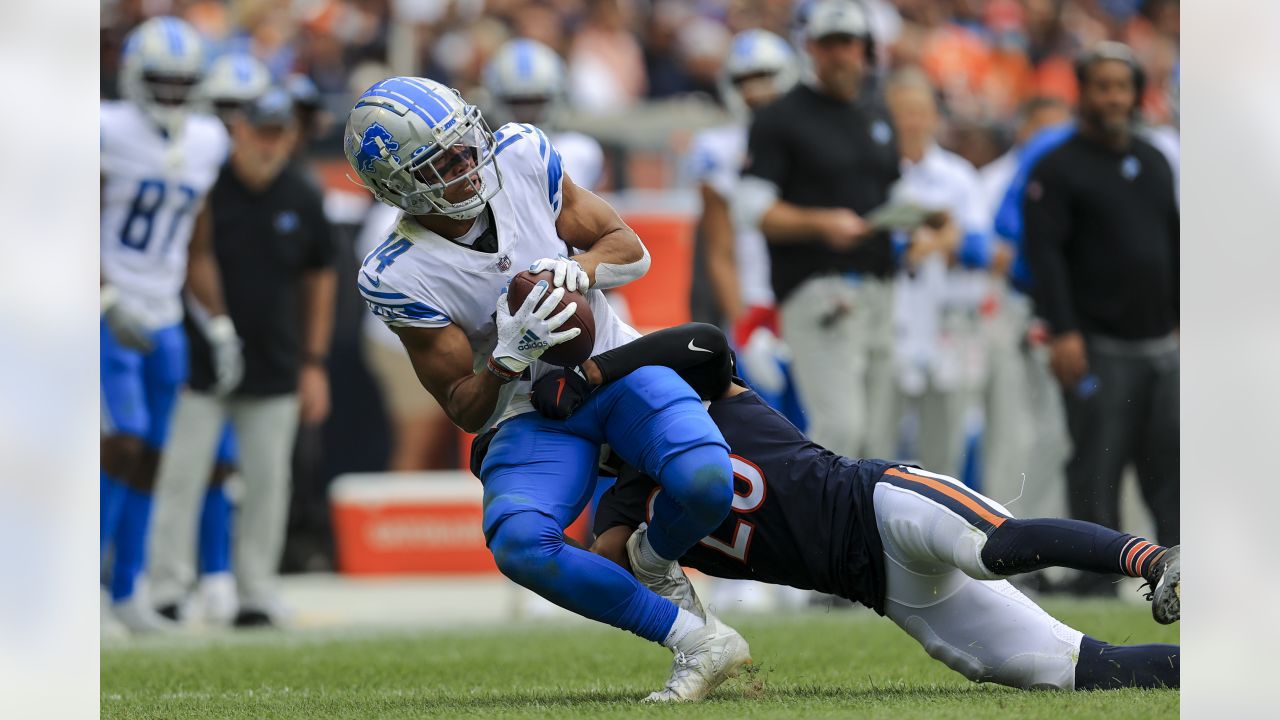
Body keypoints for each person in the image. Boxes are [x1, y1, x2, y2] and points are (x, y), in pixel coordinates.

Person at [344, 76, 747, 701]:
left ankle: (652, 555)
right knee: (520, 545)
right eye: (441, 163)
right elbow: (463, 408)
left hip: (614, 365)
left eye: (463, 146)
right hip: (528, 410)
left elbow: (630, 249)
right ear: (398, 184)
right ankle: (696, 640)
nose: (467, 166)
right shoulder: (397, 272)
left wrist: (578, 269)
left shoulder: (520, 157)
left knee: (706, 481)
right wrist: (507, 359)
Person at [529, 322, 1181, 692]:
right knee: (1071, 669)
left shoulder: (703, 407)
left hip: (880, 501)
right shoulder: (625, 512)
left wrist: (594, 374)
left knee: (994, 548)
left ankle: (1156, 560)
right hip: (883, 588)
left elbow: (700, 341)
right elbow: (603, 577)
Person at [148, 87, 337, 627]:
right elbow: (189, 256)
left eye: (280, 133)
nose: (269, 144)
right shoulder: (208, 186)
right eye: (261, 131)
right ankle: (167, 589)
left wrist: (313, 361)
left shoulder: (301, 192)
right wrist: (215, 327)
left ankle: (255, 590)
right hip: (203, 355)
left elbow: (320, 278)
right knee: (182, 474)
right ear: (240, 130)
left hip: (276, 359)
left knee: (268, 480)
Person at [1020, 43, 1180, 594]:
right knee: (1097, 465)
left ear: (1137, 93)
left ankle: (1179, 576)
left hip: (1161, 343)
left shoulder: (1155, 159)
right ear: (1083, 92)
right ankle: (1097, 583)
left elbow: (1175, 244)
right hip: (1096, 342)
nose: (1115, 97)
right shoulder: (1055, 167)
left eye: (1123, 86)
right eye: (1103, 86)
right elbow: (1045, 259)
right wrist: (1063, 332)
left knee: (1172, 470)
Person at [100, 16, 243, 634]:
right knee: (121, 441)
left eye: (183, 82)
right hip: (107, 307)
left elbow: (197, 244)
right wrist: (102, 296)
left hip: (164, 313)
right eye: (160, 80)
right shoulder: (103, 128)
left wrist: (216, 322)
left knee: (155, 453)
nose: (171, 93)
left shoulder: (208, 138)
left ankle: (127, 590)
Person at [733, 0, 901, 461]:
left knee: (878, 438)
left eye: (848, 43)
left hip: (880, 287)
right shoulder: (780, 116)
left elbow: (889, 192)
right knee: (840, 427)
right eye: (829, 44)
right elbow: (751, 209)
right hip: (819, 287)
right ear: (810, 47)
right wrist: (821, 223)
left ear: (865, 49)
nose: (840, 55)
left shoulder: (875, 113)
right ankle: (816, 530)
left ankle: (866, 534)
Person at [881, 67, 993, 478]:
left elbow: (981, 246)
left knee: (944, 445)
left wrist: (940, 241)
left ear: (934, 116)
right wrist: (933, 235)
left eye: (919, 111)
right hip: (888, 322)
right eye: (901, 112)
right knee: (876, 443)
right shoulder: (874, 172)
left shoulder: (957, 175)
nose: (911, 121)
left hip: (947, 321)